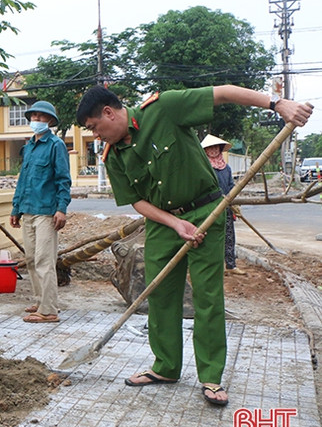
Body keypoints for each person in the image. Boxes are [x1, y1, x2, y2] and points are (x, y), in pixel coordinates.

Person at [76, 85, 312, 407]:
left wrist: (276, 103)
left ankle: (211, 376)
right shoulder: (113, 157)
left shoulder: (164, 109)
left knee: (208, 296)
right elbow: (136, 201)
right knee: (159, 295)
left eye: (94, 128)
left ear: (109, 112)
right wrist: (174, 223)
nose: (96, 136)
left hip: (206, 213)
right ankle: (166, 367)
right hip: (163, 225)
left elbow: (223, 93)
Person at [9, 100, 72, 324]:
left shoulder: (56, 145)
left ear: (50, 121)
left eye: (41, 117)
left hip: (46, 211)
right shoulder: (29, 147)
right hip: (27, 209)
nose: (36, 120)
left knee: (45, 260)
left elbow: (63, 180)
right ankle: (40, 301)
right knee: (31, 259)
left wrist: (61, 209)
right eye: (33, 116)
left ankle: (49, 310)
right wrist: (16, 207)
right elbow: (23, 180)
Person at [201, 134, 244, 275]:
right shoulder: (204, 167)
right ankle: (213, 266)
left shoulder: (226, 168)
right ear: (205, 151)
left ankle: (231, 265)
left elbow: (231, 186)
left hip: (226, 208)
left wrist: (234, 202)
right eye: (210, 148)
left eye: (215, 148)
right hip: (210, 208)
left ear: (220, 149)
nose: (213, 150)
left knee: (229, 236)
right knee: (211, 238)